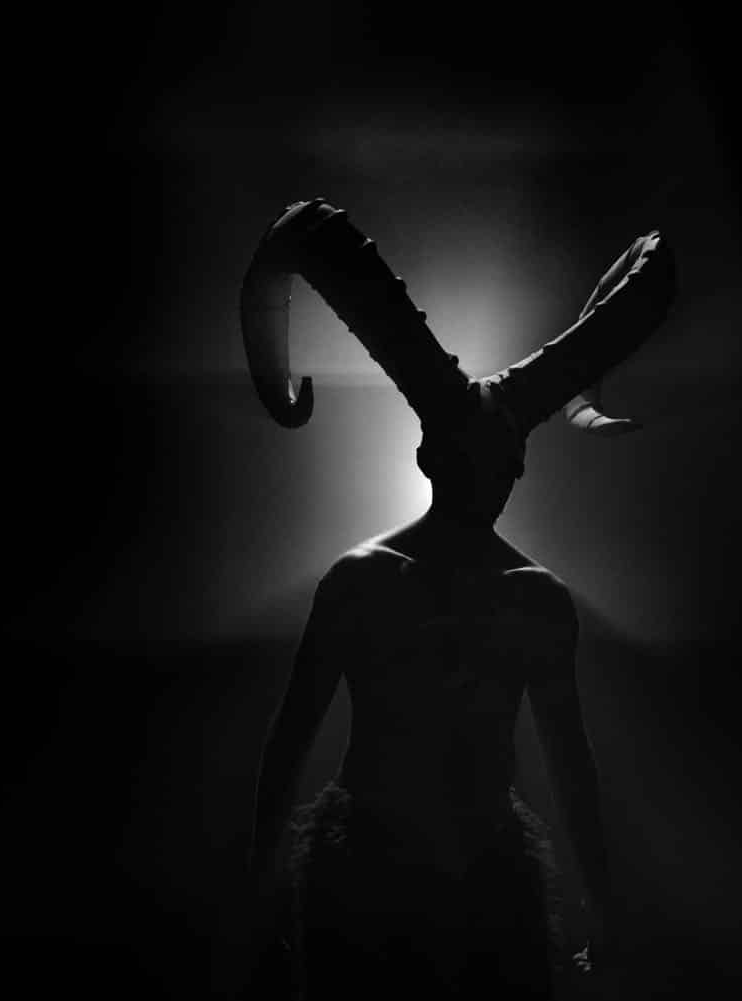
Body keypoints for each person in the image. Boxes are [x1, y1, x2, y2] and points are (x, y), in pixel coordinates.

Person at [237, 199, 675, 998]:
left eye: (501, 454)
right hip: (379, 878)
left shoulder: (506, 596)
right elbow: (290, 737)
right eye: (485, 451)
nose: (495, 470)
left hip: (474, 885)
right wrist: (260, 896)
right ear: (435, 458)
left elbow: (571, 766)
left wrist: (606, 909)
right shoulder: (378, 581)